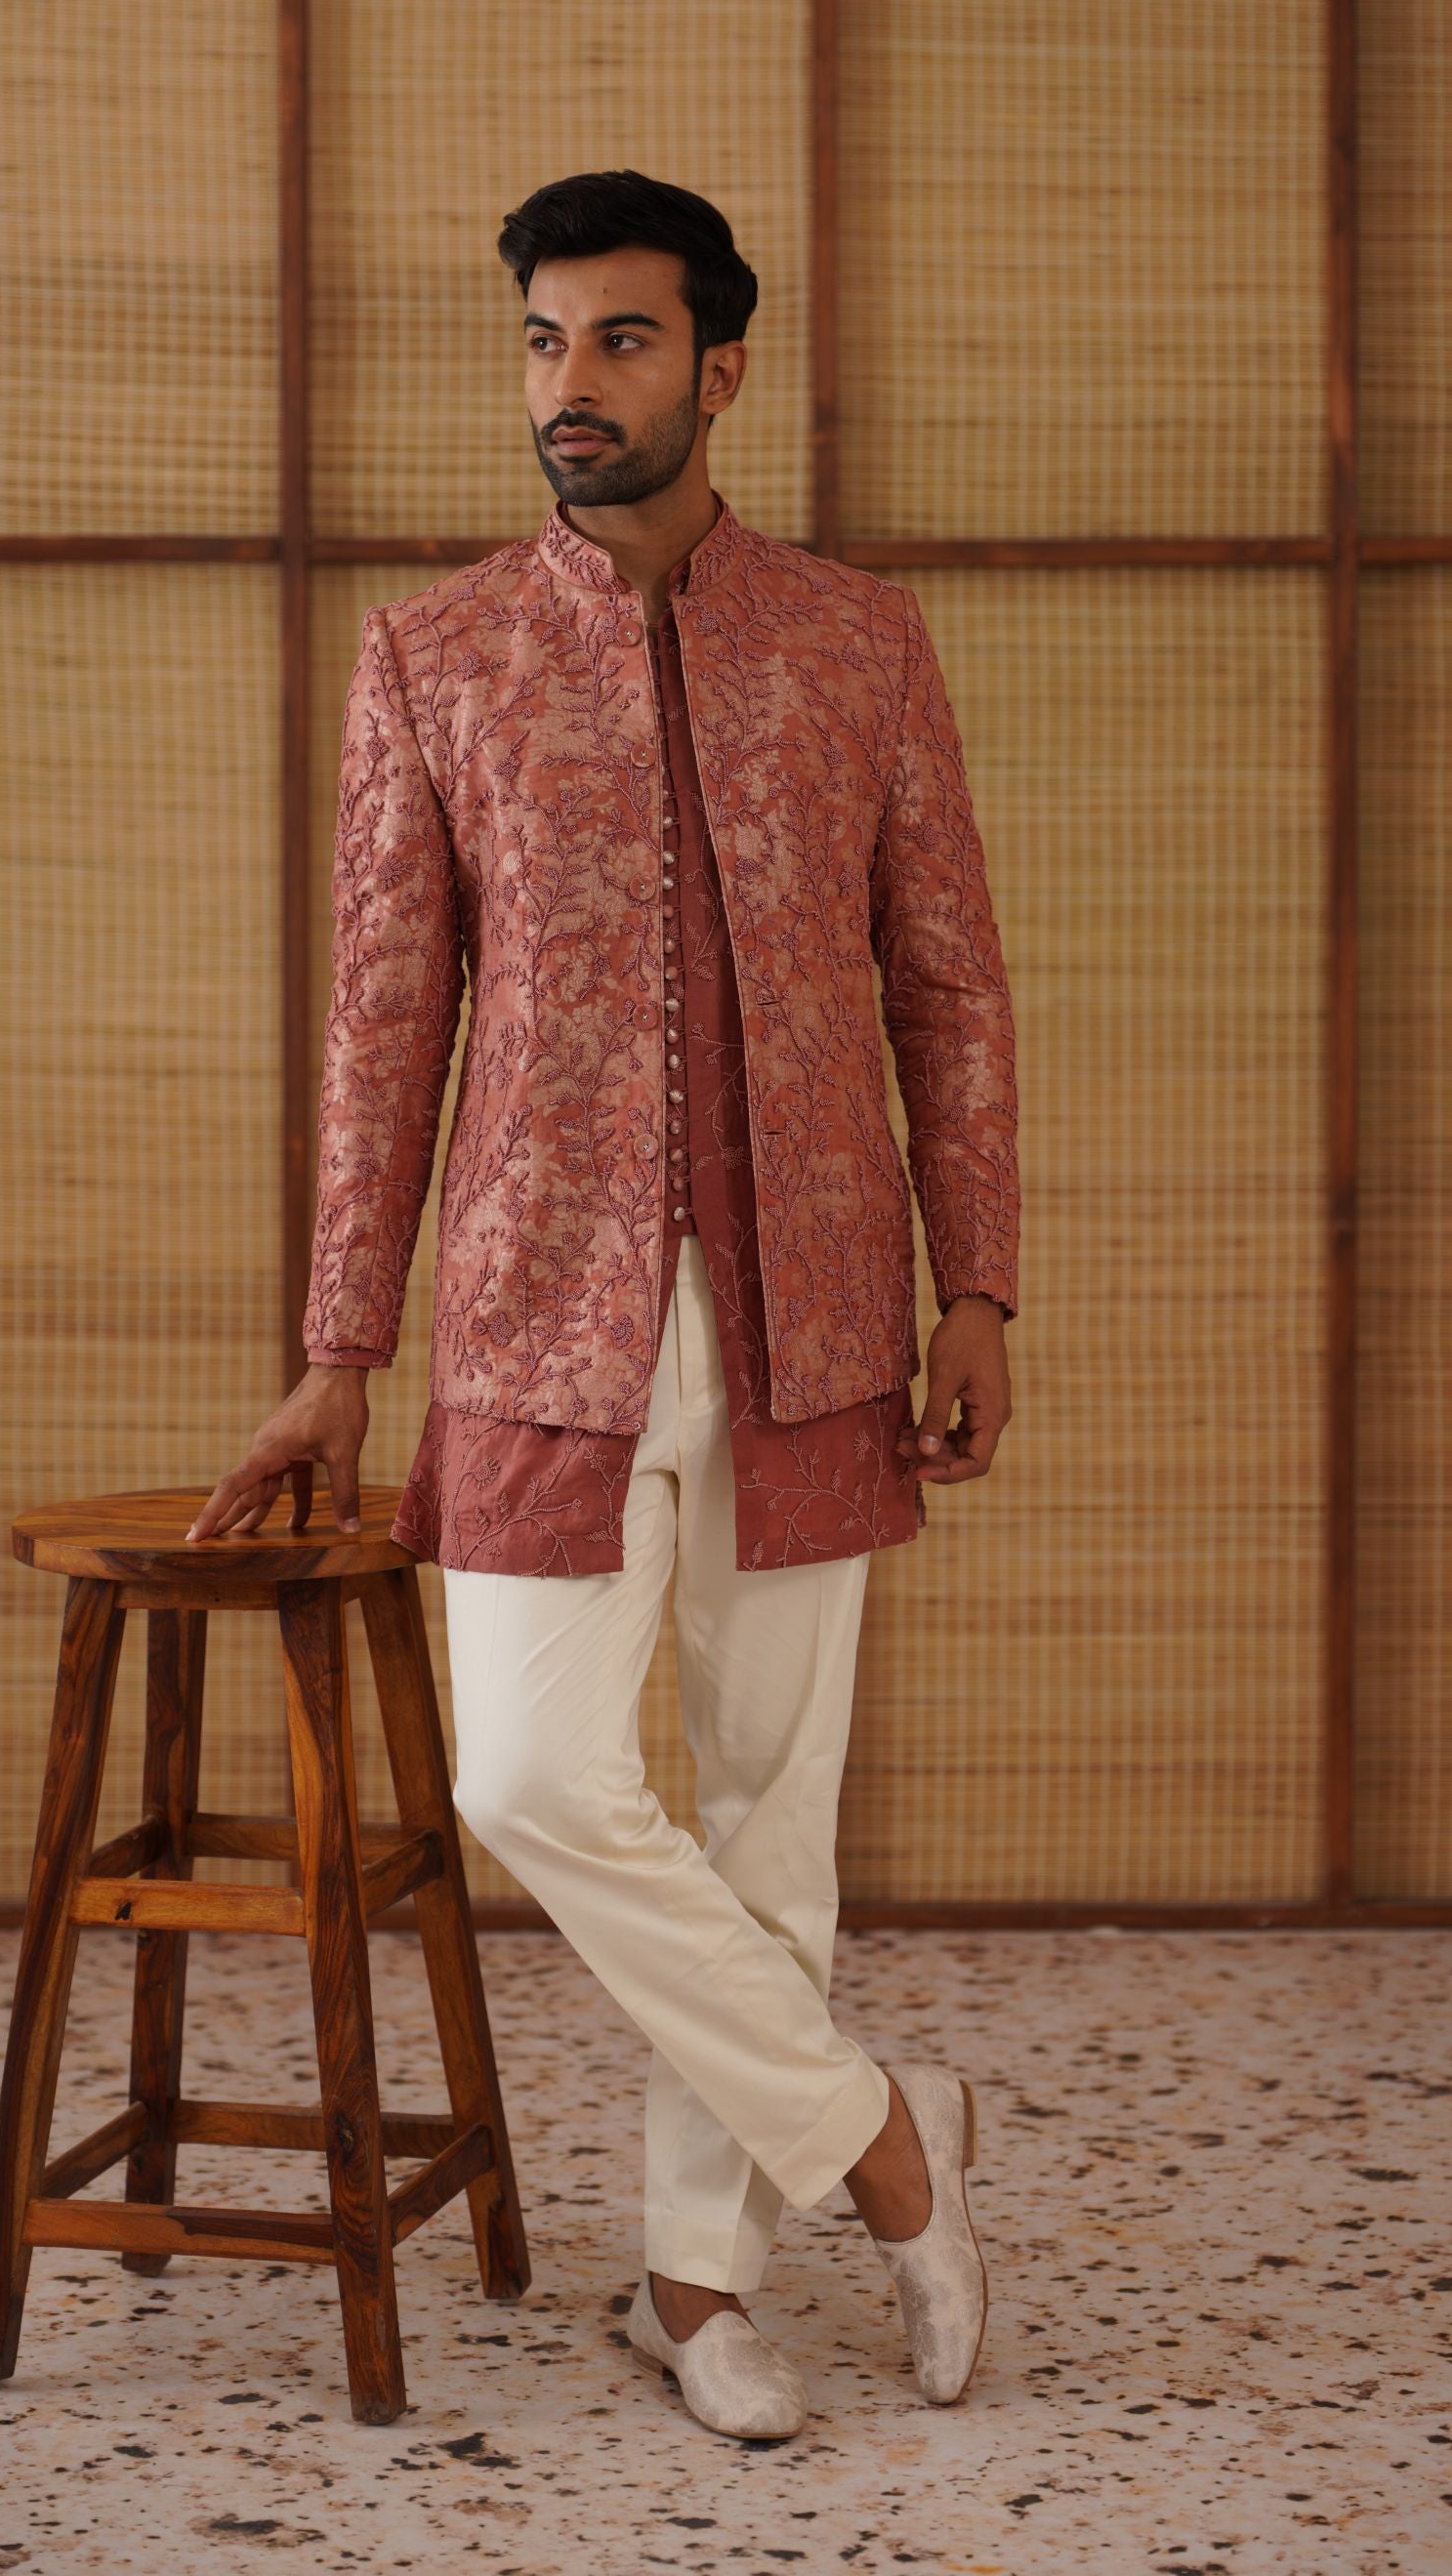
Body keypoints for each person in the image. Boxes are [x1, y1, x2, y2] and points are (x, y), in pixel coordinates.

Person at [189, 170, 1020, 2440]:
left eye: (622, 340)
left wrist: (981, 1280)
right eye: (544, 341)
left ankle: (695, 2286)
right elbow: (381, 1026)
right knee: (534, 1775)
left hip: (818, 1302)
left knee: (769, 1814)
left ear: (719, 367)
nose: (572, 383)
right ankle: (883, 2138)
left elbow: (946, 982)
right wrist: (337, 1349)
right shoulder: (435, 655)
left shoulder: (856, 643)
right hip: (534, 1310)